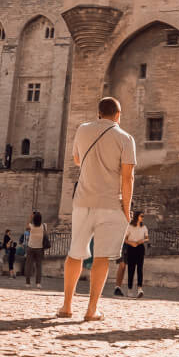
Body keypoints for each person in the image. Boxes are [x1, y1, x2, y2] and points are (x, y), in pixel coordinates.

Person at [62, 98, 136, 322]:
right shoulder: (125, 138)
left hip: (83, 200)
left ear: (98, 113)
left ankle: (66, 306)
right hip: (111, 204)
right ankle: (91, 309)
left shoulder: (83, 130)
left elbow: (76, 159)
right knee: (101, 257)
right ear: (118, 114)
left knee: (75, 252)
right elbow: (127, 177)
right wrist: (127, 208)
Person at [121, 212, 148, 296]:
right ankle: (129, 290)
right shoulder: (129, 227)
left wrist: (141, 241)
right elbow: (124, 239)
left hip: (140, 248)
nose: (142, 218)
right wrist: (131, 243)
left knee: (140, 269)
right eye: (141, 216)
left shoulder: (144, 227)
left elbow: (147, 238)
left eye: (143, 216)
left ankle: (140, 289)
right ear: (137, 217)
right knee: (131, 269)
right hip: (131, 248)